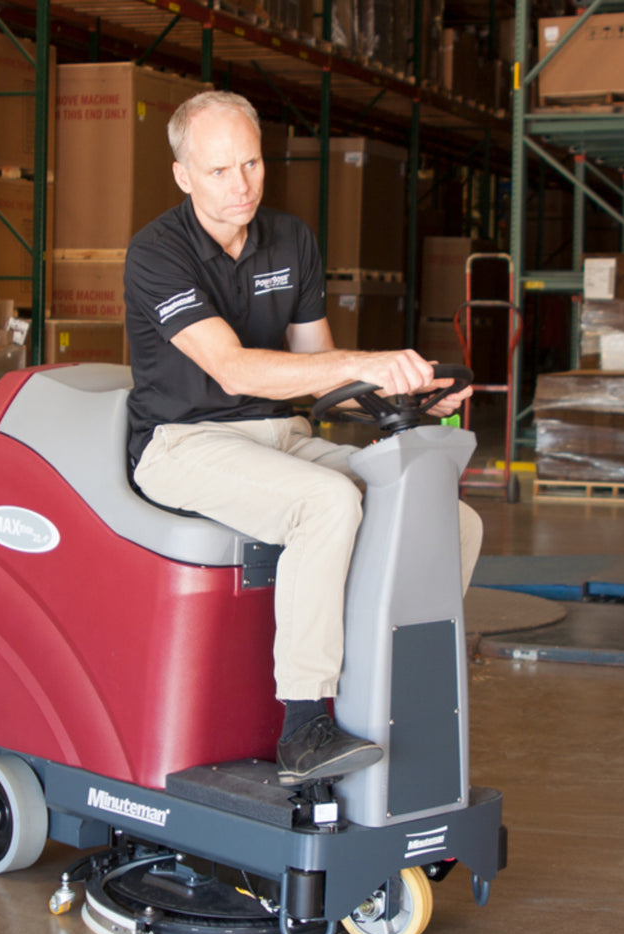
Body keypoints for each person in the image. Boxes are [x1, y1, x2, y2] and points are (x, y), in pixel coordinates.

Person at [123, 90, 482, 788]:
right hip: (183, 442)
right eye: (219, 170)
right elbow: (232, 368)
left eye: (251, 163)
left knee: (446, 514)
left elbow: (321, 369)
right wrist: (367, 362)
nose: (241, 184)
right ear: (183, 175)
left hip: (281, 434)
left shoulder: (291, 240)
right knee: (327, 502)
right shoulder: (157, 254)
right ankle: (303, 726)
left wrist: (410, 390)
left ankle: (389, 682)